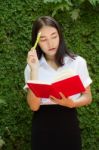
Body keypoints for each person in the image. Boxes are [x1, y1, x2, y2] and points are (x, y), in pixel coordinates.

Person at [24, 16, 92, 150]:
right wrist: (34, 70)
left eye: (54, 36)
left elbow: (88, 97)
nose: (50, 44)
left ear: (60, 36)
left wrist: (72, 103)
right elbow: (33, 106)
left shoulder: (77, 62)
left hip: (68, 122)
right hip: (42, 125)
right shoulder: (31, 67)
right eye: (43, 39)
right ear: (36, 42)